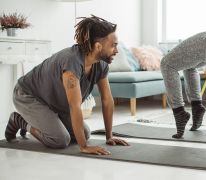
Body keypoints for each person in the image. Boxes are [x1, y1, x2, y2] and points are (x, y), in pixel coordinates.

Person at [4, 15, 129, 155]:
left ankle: (48, 122)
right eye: (113, 46)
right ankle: (19, 120)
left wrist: (109, 136)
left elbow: (107, 100)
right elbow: (74, 106)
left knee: (85, 133)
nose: (116, 51)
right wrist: (84, 147)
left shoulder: (101, 65)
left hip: (53, 102)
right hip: (28, 95)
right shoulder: (72, 62)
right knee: (60, 140)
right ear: (98, 46)